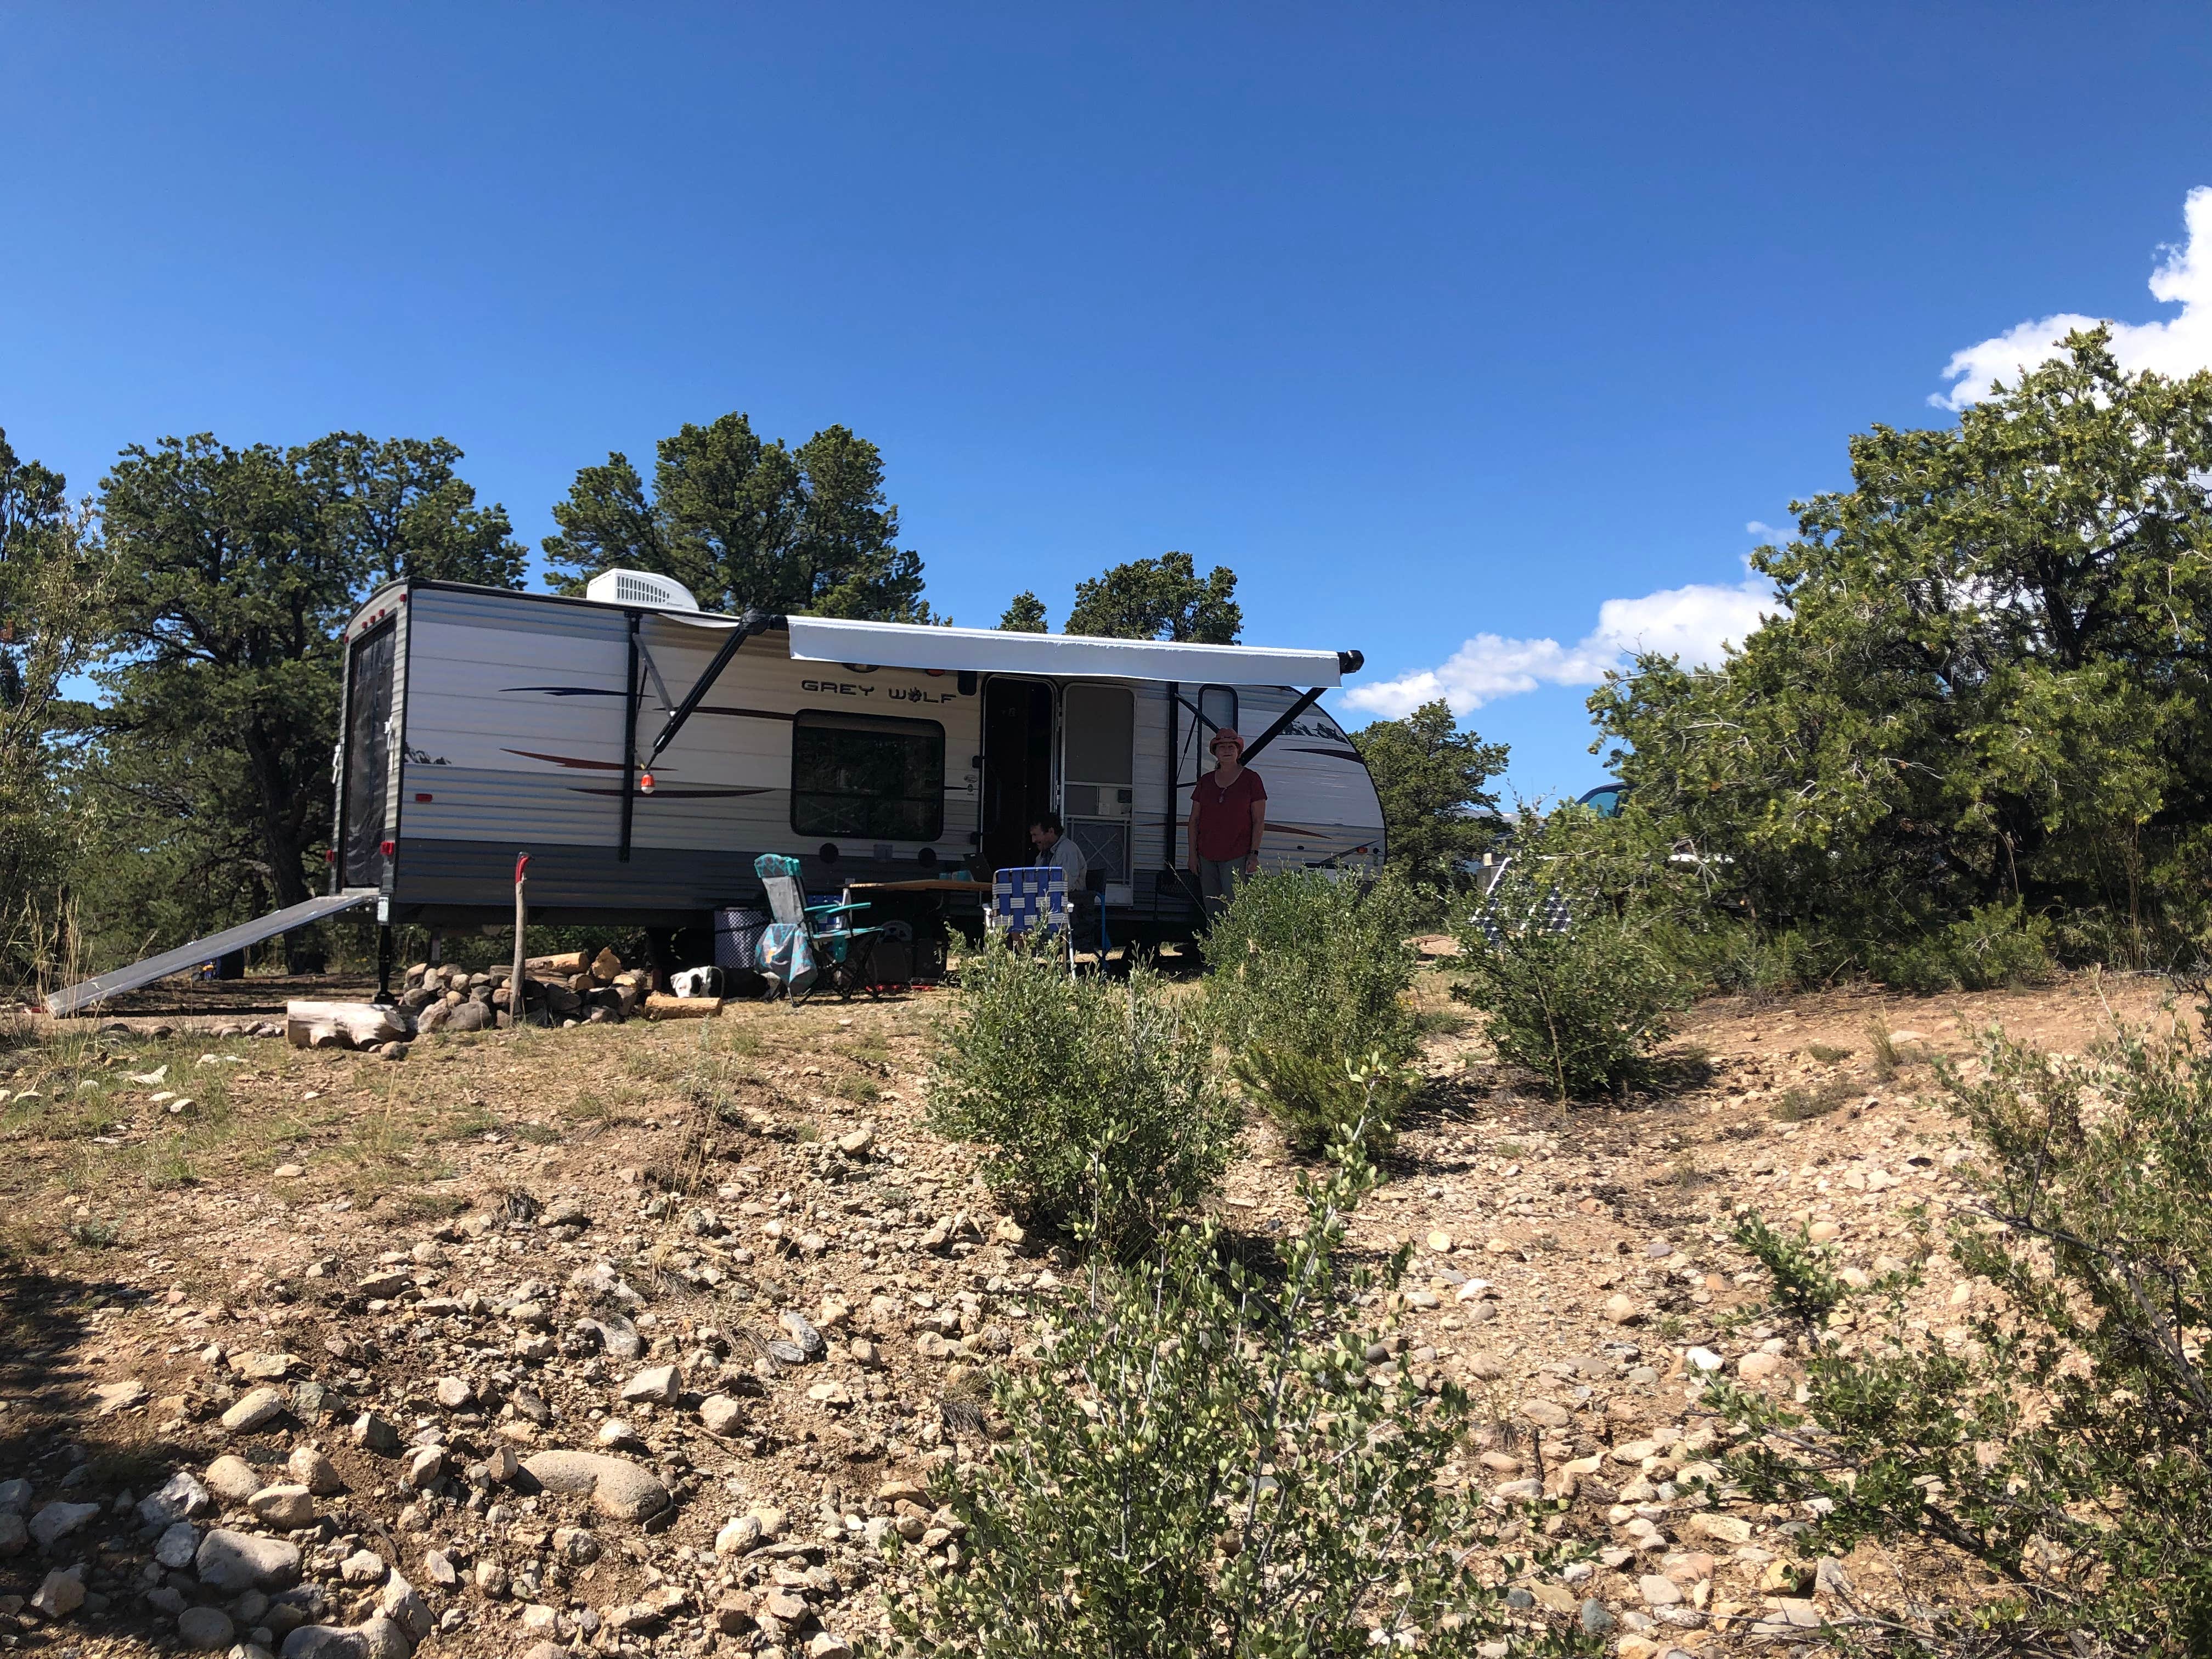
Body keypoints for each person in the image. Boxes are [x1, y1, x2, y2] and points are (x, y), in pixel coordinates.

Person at [1186, 727, 1266, 917]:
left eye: (1231, 747)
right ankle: (1213, 938)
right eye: (1222, 747)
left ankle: (1236, 939)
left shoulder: (1251, 779)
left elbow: (1258, 820)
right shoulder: (1206, 781)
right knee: (1212, 909)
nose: (1227, 750)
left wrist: (1254, 854)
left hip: (1237, 855)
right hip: (1206, 855)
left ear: (1239, 751)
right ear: (1215, 752)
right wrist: (1192, 855)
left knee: (1235, 909)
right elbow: (1194, 820)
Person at [1029, 811, 1088, 894]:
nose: (1033, 840)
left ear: (1051, 831)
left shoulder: (1067, 850)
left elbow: (1065, 886)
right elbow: (1035, 880)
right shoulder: (1043, 855)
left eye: (1035, 835)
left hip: (1069, 900)